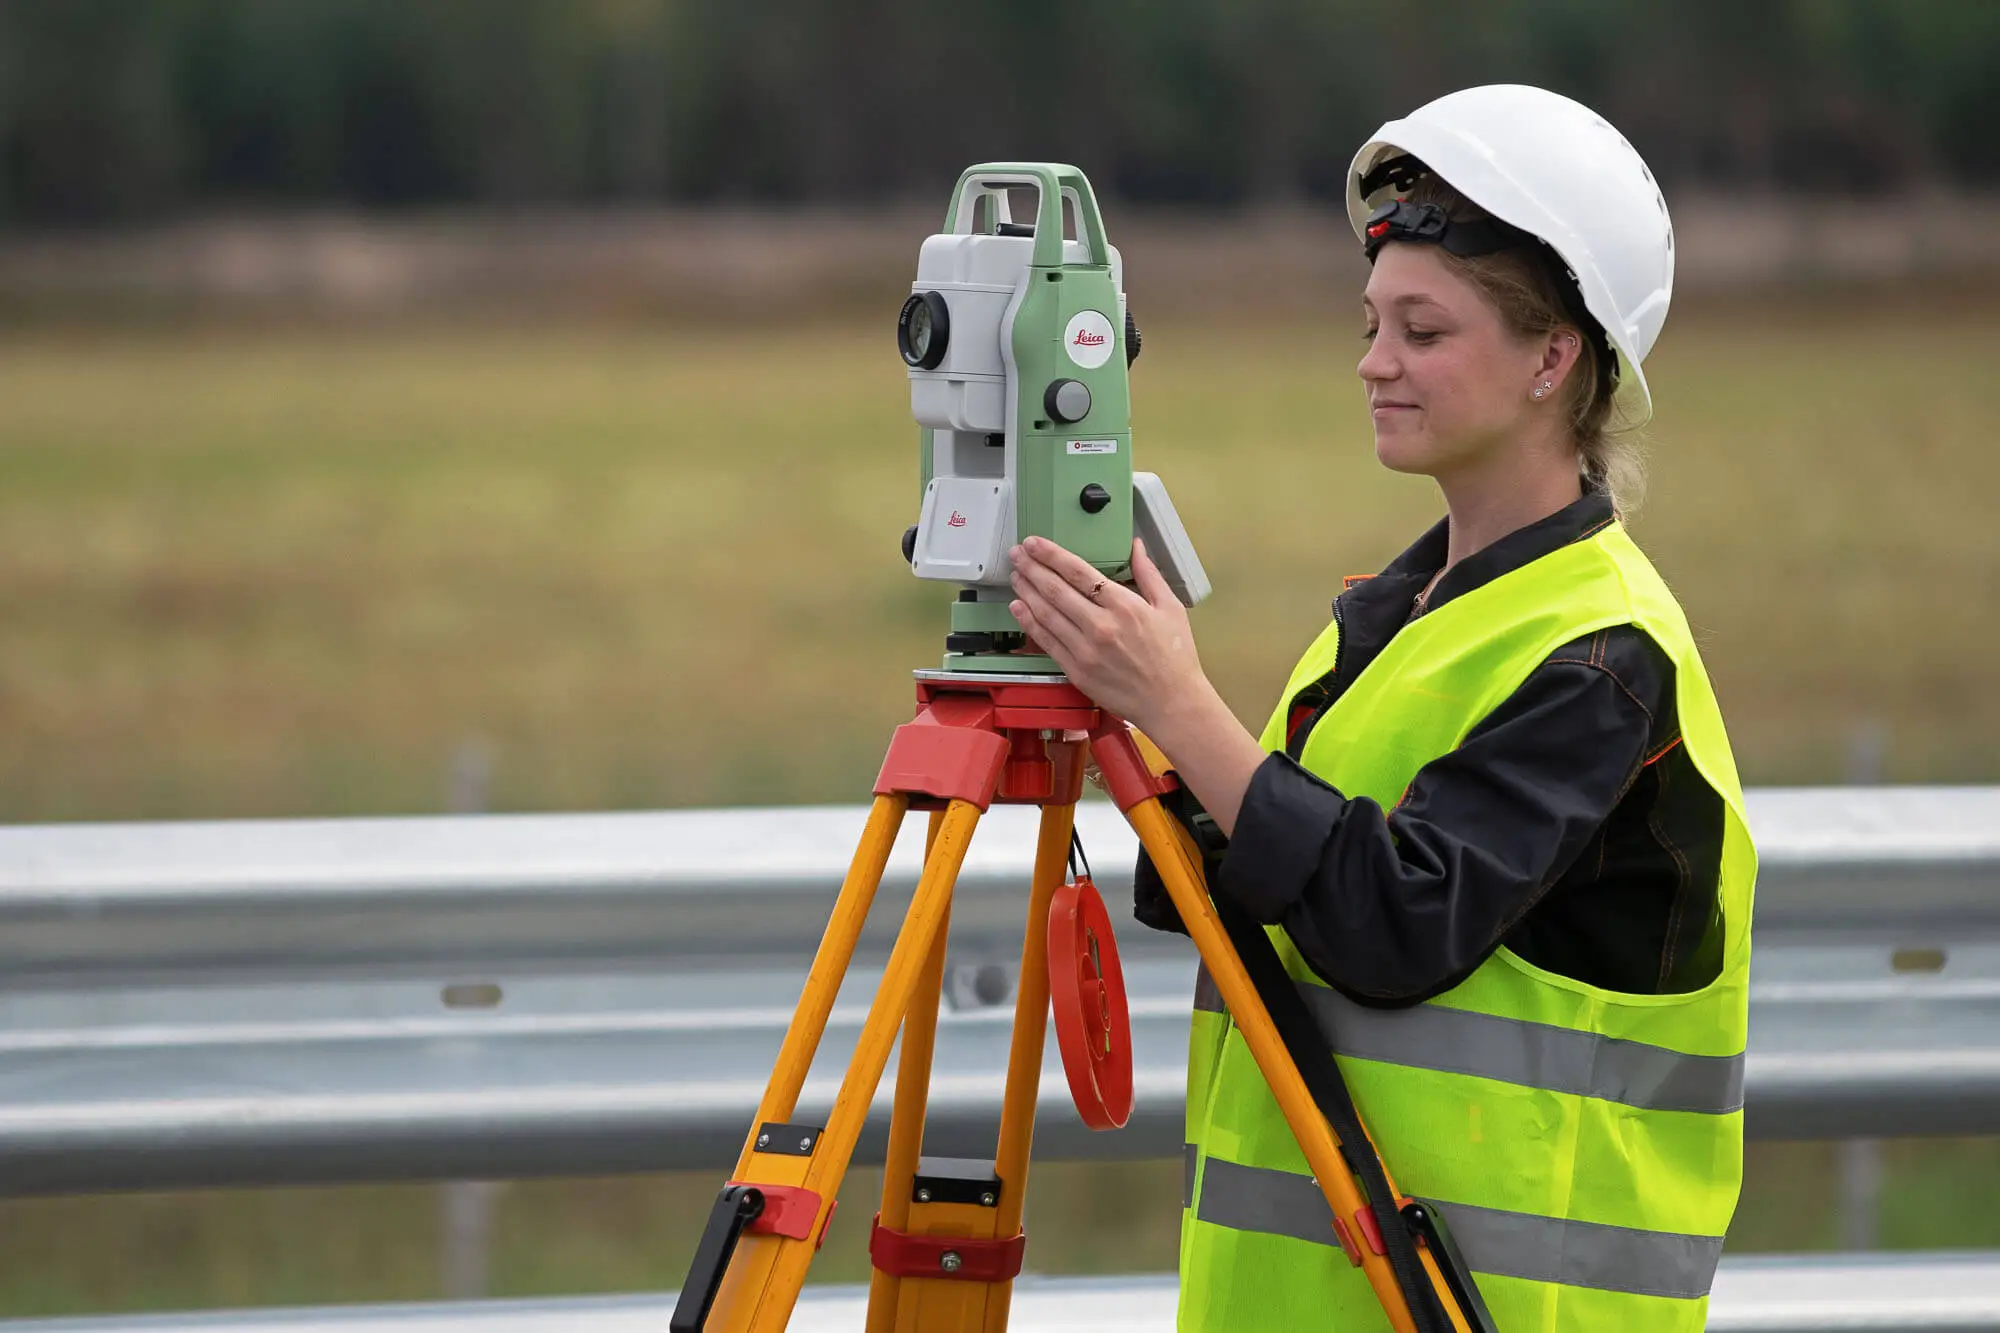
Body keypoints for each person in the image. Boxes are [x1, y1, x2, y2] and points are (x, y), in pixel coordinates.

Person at [1006, 84, 1755, 1332]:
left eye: (1421, 329)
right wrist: (1134, 721)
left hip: (1487, 1309)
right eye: (1370, 323)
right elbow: (1274, 879)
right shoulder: (1393, 617)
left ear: (1550, 358)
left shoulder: (1601, 656)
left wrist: (1181, 706)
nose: (1372, 361)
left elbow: (1393, 919)